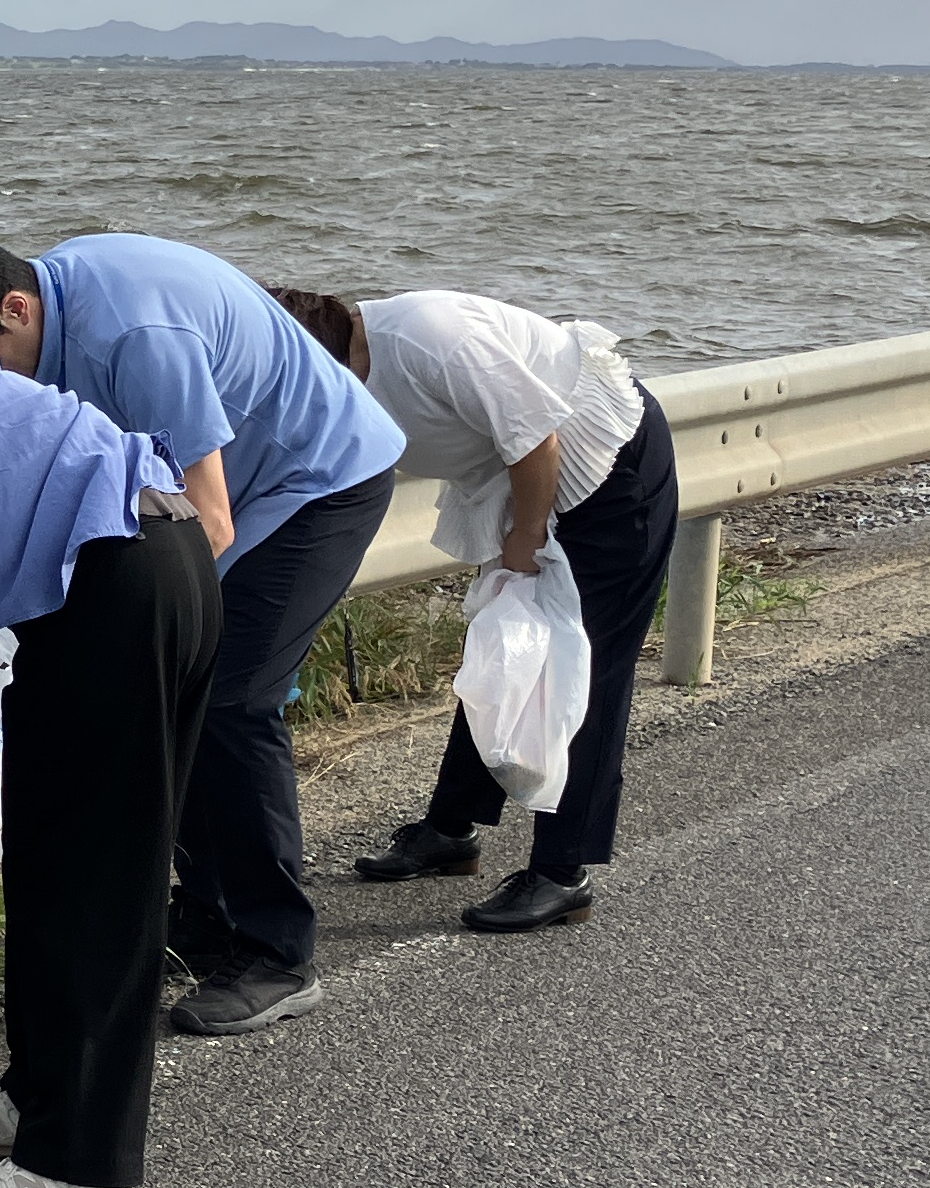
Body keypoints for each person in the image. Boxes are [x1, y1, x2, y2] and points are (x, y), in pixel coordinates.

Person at [0, 226, 402, 1035]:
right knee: (179, 685)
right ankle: (207, 913)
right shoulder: (51, 311)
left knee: (230, 700)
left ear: (14, 310)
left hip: (318, 479)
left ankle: (278, 952)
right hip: (246, 486)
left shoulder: (133, 334)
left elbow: (210, 524)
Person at [0, 347, 221, 1188]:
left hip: (112, 575)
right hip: (158, 552)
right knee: (53, 859)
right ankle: (36, 1097)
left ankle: (80, 1164)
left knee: (93, 878)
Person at [270, 285, 677, 933]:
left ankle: (562, 873)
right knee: (502, 652)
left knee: (582, 670)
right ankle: (451, 831)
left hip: (607, 462)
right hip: (523, 480)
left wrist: (526, 538)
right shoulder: (343, 365)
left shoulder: (432, 336)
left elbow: (538, 438)